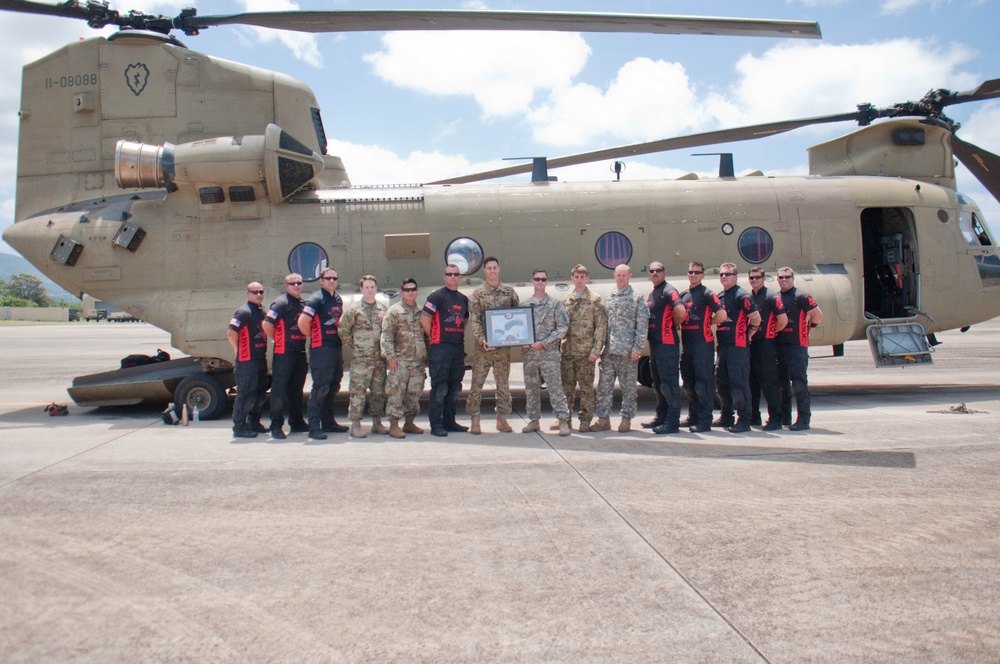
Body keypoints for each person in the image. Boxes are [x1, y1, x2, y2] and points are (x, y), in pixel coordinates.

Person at [550, 264, 606, 432]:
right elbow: (560, 325)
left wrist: (596, 350)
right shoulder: (566, 300)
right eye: (576, 277)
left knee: (586, 389)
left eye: (582, 277)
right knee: (566, 388)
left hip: (586, 353)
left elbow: (601, 327)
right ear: (572, 278)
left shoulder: (595, 299)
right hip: (568, 351)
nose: (579, 280)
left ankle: (585, 420)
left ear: (587, 278)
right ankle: (564, 419)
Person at [592, 264, 648, 433]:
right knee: (604, 388)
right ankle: (603, 419)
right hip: (608, 352)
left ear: (629, 275)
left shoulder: (637, 297)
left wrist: (637, 348)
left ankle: (626, 419)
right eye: (618, 275)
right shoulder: (608, 297)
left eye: (624, 275)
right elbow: (602, 324)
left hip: (627, 352)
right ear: (614, 275)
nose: (621, 277)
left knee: (629, 388)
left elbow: (642, 324)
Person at [466, 256, 519, 434]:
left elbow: (517, 317)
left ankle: (502, 419)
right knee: (476, 385)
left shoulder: (509, 292)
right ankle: (475, 419)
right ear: (484, 271)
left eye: (494, 267)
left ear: (499, 268)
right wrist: (482, 340)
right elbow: (475, 322)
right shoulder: (477, 294)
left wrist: (517, 337)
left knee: (503, 385)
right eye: (489, 268)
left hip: (503, 349)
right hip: (484, 349)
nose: (492, 271)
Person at [297, 267, 347, 440]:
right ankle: (314, 426)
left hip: (335, 348)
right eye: (328, 278)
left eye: (334, 278)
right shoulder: (316, 299)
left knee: (334, 385)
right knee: (321, 387)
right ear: (321, 280)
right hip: (321, 350)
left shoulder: (337, 299)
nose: (332, 281)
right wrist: (316, 335)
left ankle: (329, 423)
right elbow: (303, 322)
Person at [421, 264, 470, 437]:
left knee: (454, 387)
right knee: (439, 388)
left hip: (457, 349)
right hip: (440, 348)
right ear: (444, 276)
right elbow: (425, 317)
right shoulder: (437, 296)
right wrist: (435, 336)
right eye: (449, 274)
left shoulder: (463, 299)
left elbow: (464, 320)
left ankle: (450, 422)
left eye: (456, 274)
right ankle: (436, 424)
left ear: (460, 277)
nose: (453, 277)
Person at [521, 268, 571, 436]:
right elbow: (519, 330)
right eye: (537, 279)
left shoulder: (555, 305)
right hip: (529, 355)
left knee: (555, 387)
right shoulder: (524, 306)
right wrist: (523, 342)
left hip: (549, 354)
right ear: (532, 281)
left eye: (543, 279)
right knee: (531, 388)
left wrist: (544, 342)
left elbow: (563, 328)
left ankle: (563, 420)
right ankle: (534, 420)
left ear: (547, 281)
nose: (540, 282)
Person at [679, 261, 726, 433]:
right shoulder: (684, 295)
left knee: (703, 385)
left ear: (702, 275)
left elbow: (721, 314)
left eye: (697, 272)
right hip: (687, 346)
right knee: (688, 384)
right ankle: (693, 416)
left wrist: (708, 322)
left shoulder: (707, 294)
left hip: (703, 346)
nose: (693, 275)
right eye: (691, 272)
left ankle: (705, 420)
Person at [714, 262, 761, 433]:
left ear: (735, 276)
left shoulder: (742, 296)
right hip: (723, 347)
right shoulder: (721, 296)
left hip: (738, 347)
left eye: (728, 274)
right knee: (722, 383)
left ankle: (744, 420)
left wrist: (748, 334)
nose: (724, 277)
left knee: (739, 384)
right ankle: (726, 416)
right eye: (721, 274)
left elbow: (756, 318)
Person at [340, 275, 389, 438]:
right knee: (358, 392)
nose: (370, 290)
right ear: (361, 289)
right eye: (366, 287)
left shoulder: (382, 309)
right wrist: (355, 346)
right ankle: (355, 425)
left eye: (372, 287)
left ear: (376, 288)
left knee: (378, 392)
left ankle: (377, 423)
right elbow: (343, 329)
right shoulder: (354, 309)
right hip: (361, 360)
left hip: (379, 360)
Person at [775, 267, 824, 431]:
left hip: (797, 346)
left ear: (793, 278)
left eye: (787, 277)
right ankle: (785, 417)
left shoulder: (801, 296)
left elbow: (817, 315)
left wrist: (810, 329)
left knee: (799, 384)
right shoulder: (776, 297)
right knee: (782, 384)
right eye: (781, 277)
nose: (784, 280)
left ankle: (803, 420)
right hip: (780, 345)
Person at [263, 273, 309, 440]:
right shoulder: (281, 303)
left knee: (296, 390)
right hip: (283, 353)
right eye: (292, 283)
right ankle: (276, 426)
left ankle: (296, 422)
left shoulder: (302, 303)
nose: (296, 285)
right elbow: (267, 324)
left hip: (299, 352)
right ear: (286, 286)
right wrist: (277, 338)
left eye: (299, 283)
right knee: (279, 390)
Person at [381, 278, 428, 439]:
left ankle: (409, 422)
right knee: (396, 393)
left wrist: (426, 356)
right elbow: (386, 336)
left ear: (417, 291)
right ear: (402, 292)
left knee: (414, 393)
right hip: (400, 362)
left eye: (413, 289)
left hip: (417, 362)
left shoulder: (421, 312)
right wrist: (391, 358)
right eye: (407, 289)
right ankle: (394, 425)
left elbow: (426, 336)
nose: (410, 292)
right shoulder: (394, 311)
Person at [645, 261, 686, 435]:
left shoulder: (669, 290)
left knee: (669, 385)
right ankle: (661, 416)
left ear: (664, 272)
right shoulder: (654, 292)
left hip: (667, 344)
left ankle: (672, 422)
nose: (655, 273)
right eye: (652, 271)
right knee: (658, 383)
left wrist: (674, 324)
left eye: (658, 270)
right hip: (655, 344)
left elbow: (681, 310)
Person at [747, 267, 787, 431]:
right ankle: (754, 416)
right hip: (751, 344)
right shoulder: (749, 297)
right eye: (752, 277)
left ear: (764, 278)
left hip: (766, 344)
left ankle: (775, 418)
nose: (754, 280)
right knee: (752, 383)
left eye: (757, 277)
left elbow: (782, 320)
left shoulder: (771, 297)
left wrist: (772, 332)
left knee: (769, 383)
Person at [227, 282, 268, 439]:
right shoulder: (243, 312)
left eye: (260, 292)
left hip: (259, 358)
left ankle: (254, 422)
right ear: (248, 294)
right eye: (254, 292)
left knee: (259, 393)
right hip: (247, 360)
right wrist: (237, 348)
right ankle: (239, 426)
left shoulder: (259, 310)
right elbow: (231, 332)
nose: (258, 294)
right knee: (246, 394)